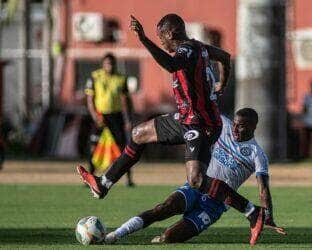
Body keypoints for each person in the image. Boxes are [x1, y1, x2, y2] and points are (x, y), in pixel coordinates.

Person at [77, 14, 265, 244]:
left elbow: (171, 64)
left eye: (161, 37)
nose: (161, 42)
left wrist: (145, 40)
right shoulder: (200, 48)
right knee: (138, 133)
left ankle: (251, 212)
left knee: (196, 180)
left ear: (170, 34)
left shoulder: (187, 51)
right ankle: (103, 183)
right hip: (185, 118)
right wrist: (221, 85)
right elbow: (225, 57)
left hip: (202, 123)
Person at [104, 109, 286, 245]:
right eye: (235, 124)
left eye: (242, 126)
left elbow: (263, 189)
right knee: (164, 208)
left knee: (169, 238)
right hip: (196, 187)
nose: (235, 129)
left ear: (254, 127)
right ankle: (116, 234)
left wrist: (267, 216)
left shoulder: (257, 154)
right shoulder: (223, 125)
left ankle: (160, 239)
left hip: (215, 205)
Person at [85, 53, 134, 186]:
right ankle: (90, 177)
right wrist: (94, 115)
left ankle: (128, 179)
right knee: (93, 147)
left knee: (124, 148)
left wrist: (128, 119)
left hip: (116, 116)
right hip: (100, 116)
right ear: (103, 64)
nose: (109, 66)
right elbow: (90, 99)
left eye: (112, 63)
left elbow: (126, 100)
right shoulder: (95, 77)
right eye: (107, 63)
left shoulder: (121, 78)